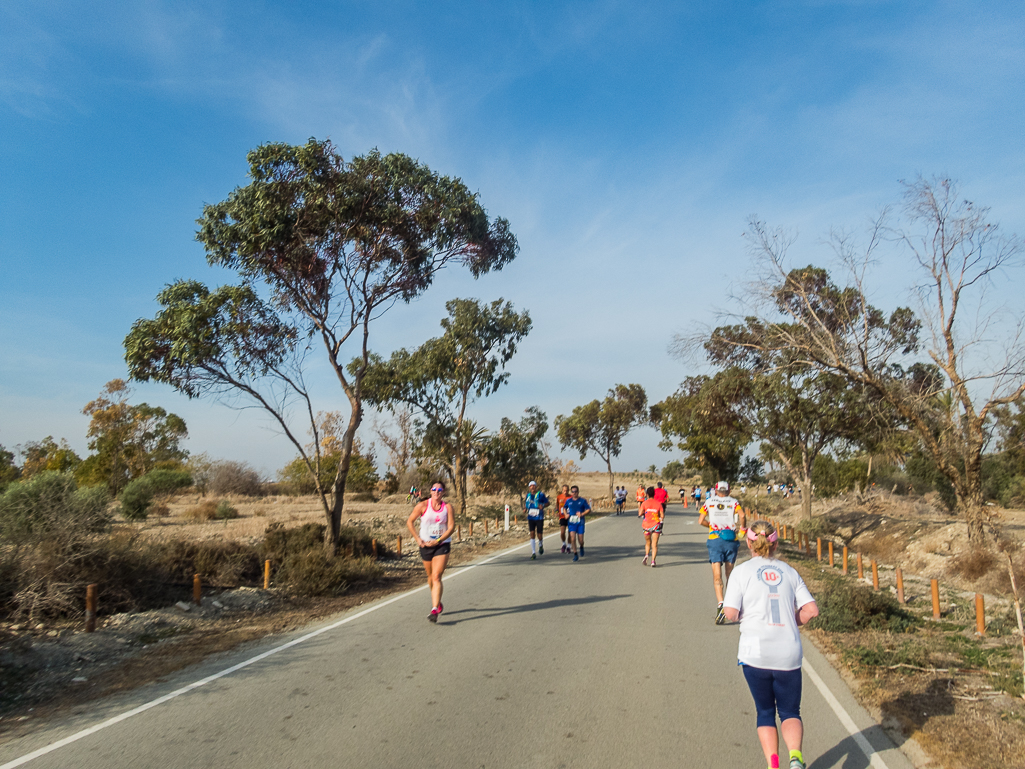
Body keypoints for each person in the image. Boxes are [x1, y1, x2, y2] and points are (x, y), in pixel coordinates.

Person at [723, 521, 819, 769]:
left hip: (755, 654)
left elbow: (731, 612)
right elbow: (811, 610)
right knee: (790, 712)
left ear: (748, 542)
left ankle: (773, 763)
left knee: (765, 712)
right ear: (775, 543)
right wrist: (791, 620)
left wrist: (747, 615)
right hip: (788, 652)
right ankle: (795, 758)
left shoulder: (741, 572)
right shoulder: (789, 572)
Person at [698, 480, 747, 625]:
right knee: (729, 574)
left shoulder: (709, 502)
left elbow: (701, 520)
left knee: (716, 575)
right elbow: (742, 516)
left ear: (715, 490)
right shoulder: (734, 502)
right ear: (729, 490)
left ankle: (720, 603)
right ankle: (732, 603)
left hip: (715, 539)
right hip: (730, 539)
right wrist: (743, 529)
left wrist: (711, 526)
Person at [407, 481, 455, 622]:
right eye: (434, 489)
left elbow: (451, 527)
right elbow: (410, 521)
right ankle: (437, 601)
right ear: (430, 491)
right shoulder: (422, 506)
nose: (437, 492)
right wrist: (417, 539)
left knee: (436, 576)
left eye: (440, 490)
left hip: (442, 545)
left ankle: (434, 610)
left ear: (443, 492)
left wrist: (439, 540)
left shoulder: (448, 507)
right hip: (426, 546)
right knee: (430, 578)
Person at [638, 486, 664, 567]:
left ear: (647, 494)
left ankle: (646, 555)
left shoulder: (644, 503)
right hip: (656, 525)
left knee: (648, 542)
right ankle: (653, 561)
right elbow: (662, 516)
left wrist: (645, 513)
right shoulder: (658, 504)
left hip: (646, 526)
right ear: (654, 494)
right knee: (654, 544)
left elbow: (640, 513)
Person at [563, 485, 590, 561]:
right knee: (572, 537)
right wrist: (565, 514)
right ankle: (575, 554)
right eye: (573, 491)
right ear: (571, 492)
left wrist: (582, 514)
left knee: (580, 540)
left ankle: (581, 546)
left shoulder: (582, 500)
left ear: (578, 492)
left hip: (580, 522)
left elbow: (588, 510)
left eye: (575, 491)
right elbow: (564, 508)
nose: (574, 493)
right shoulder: (568, 501)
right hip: (571, 522)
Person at [524, 480, 549, 559]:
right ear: (529, 487)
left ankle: (540, 544)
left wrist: (543, 506)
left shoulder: (541, 494)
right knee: (532, 534)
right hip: (531, 517)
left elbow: (548, 503)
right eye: (531, 486)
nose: (532, 487)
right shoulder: (528, 495)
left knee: (539, 534)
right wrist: (525, 509)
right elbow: (527, 504)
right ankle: (533, 552)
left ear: (536, 486)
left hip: (539, 517)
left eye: (533, 485)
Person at [557, 484, 571, 553]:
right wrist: (557, 511)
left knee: (570, 532)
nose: (565, 492)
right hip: (562, 516)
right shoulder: (559, 497)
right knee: (562, 532)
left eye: (567, 490)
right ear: (562, 490)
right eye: (564, 490)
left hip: (570, 516)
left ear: (568, 490)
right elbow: (557, 505)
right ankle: (563, 544)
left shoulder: (571, 497)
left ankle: (568, 546)